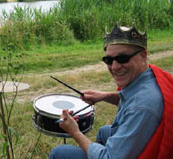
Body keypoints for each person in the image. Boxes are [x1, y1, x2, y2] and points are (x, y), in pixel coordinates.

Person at [49, 22, 173, 159]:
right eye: (108, 60)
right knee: (104, 132)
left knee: (59, 153)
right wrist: (103, 96)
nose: (114, 67)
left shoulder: (142, 107)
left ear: (143, 55)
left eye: (122, 58)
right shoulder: (150, 78)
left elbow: (108, 157)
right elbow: (130, 99)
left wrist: (75, 132)